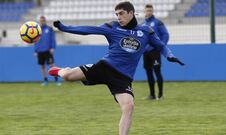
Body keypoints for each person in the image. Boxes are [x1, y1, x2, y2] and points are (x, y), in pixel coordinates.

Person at [48, 1, 184, 135]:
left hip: (123, 77)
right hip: (104, 67)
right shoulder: (112, 26)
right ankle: (60, 70)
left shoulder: (146, 31)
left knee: (129, 106)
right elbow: (89, 29)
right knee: (67, 76)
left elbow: (160, 45)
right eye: (117, 14)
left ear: (131, 13)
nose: (118, 17)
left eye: (121, 13)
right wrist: (64, 28)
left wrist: (169, 55)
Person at [142, 4, 170, 100]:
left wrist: (160, 46)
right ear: (144, 11)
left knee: (157, 72)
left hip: (155, 52)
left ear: (152, 11)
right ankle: (152, 95)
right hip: (145, 53)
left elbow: (165, 35)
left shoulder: (158, 23)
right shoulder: (143, 24)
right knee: (148, 72)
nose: (148, 12)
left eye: (150, 11)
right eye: (147, 11)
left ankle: (161, 95)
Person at [34, 16, 61, 86]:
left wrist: (52, 48)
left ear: (45, 21)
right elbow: (35, 41)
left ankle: (56, 80)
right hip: (40, 51)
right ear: (39, 21)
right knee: (42, 66)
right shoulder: (37, 30)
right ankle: (45, 80)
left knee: (52, 65)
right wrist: (35, 51)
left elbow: (53, 39)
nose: (42, 21)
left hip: (48, 50)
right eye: (41, 20)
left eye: (43, 20)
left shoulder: (49, 29)